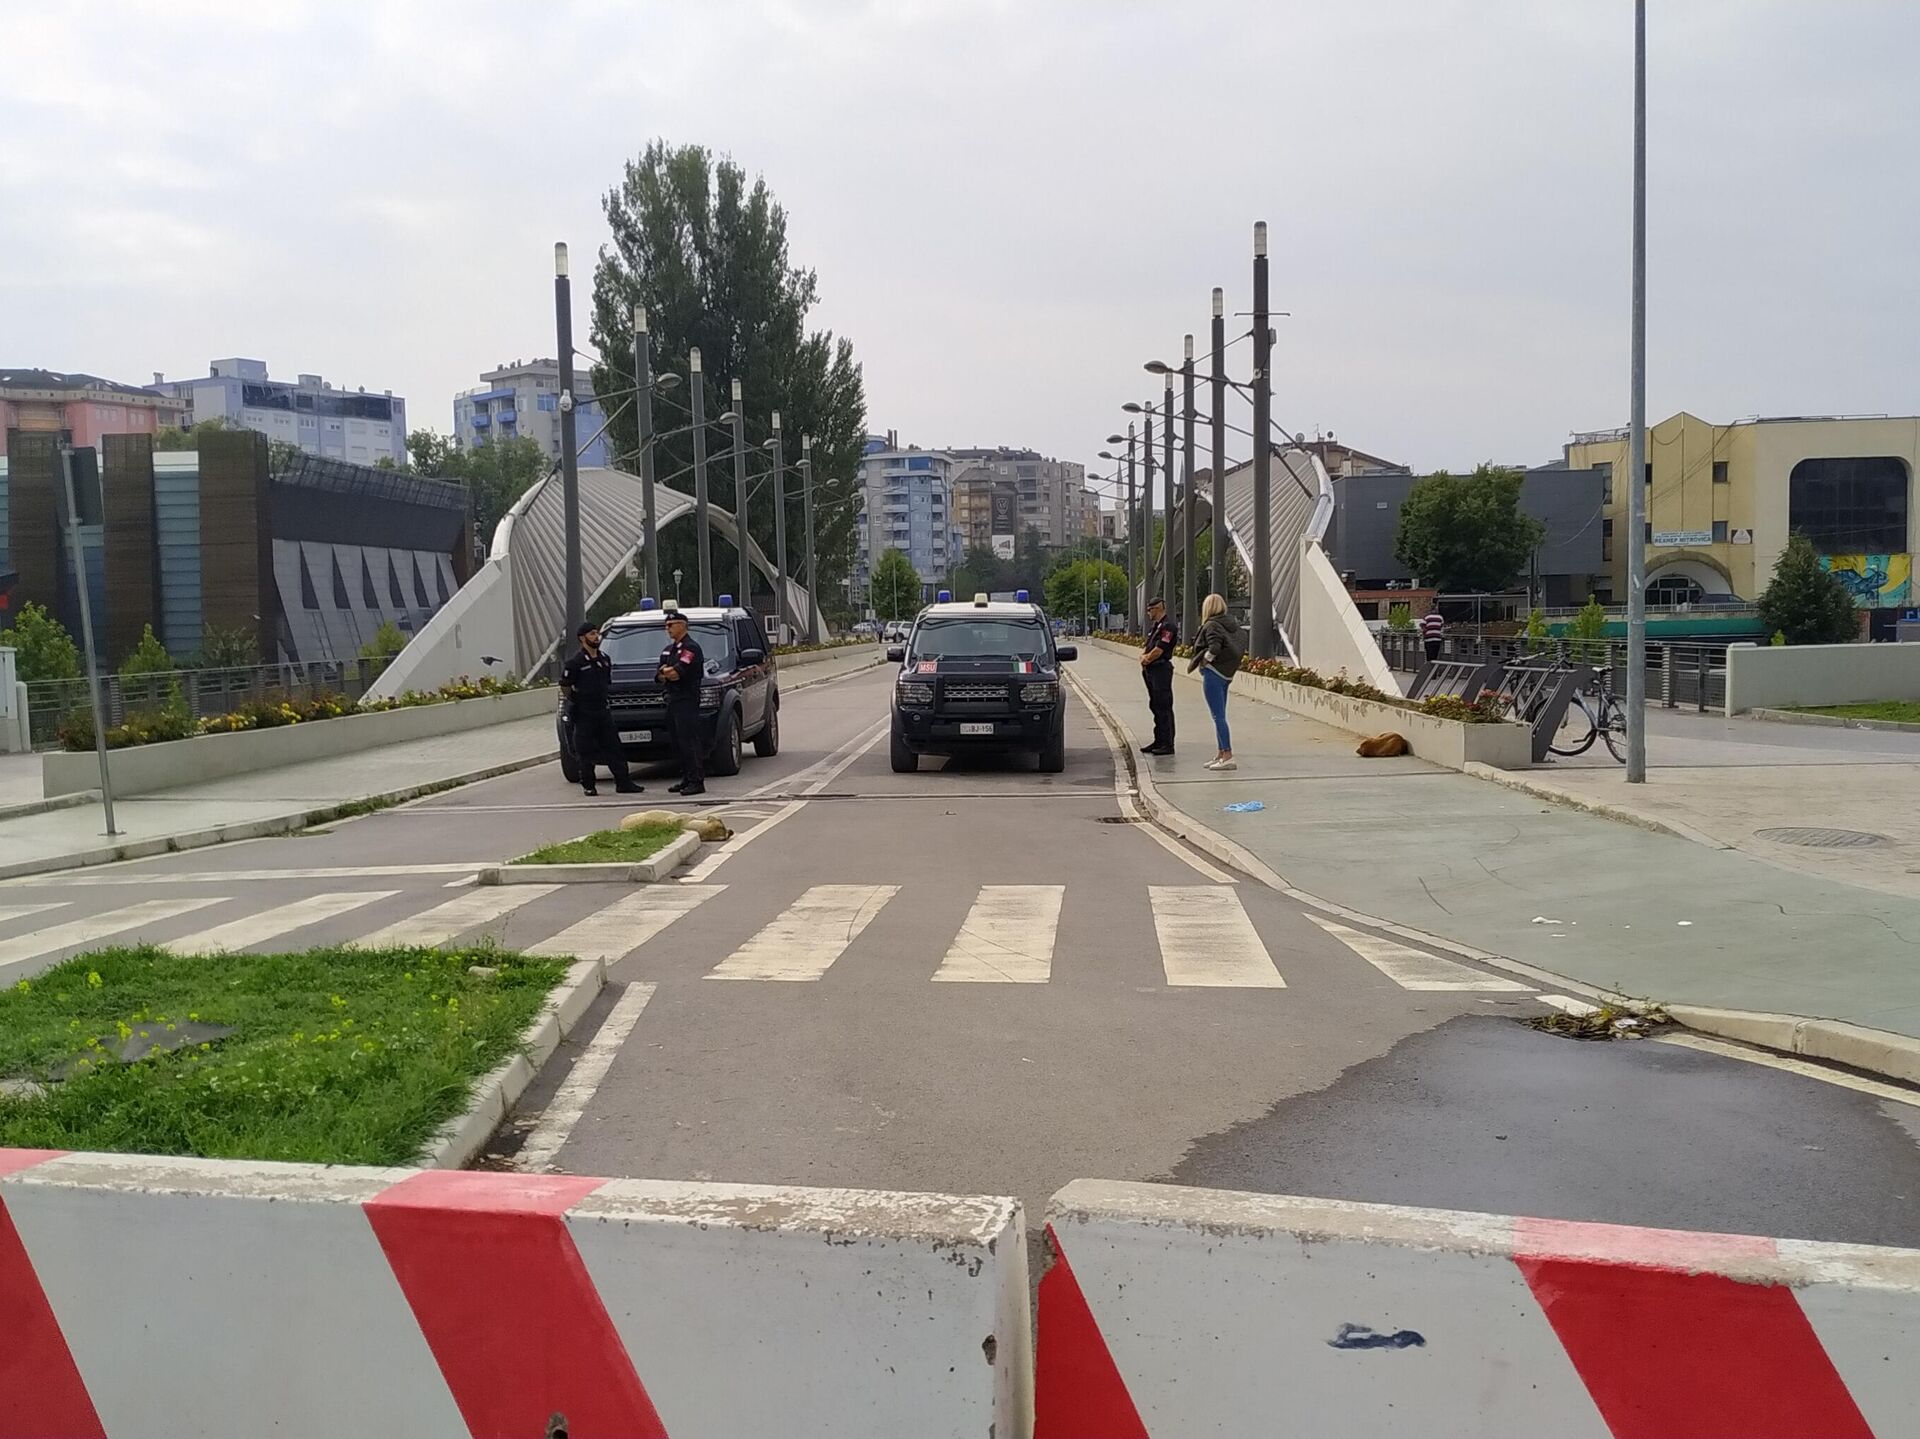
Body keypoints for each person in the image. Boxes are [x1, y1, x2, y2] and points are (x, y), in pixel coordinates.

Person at [561, 621, 642, 798]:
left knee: (614, 748)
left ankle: (623, 783)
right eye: (591, 634)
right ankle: (589, 785)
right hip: (584, 712)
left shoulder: (604, 659)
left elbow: (606, 682)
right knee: (585, 751)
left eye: (597, 633)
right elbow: (565, 685)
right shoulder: (575, 662)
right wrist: (575, 699)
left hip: (602, 710)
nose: (596, 637)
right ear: (582, 638)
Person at [1186, 593, 1242, 771]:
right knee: (1220, 714)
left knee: (1218, 716)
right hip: (1226, 673)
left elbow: (1214, 647)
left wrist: (1205, 661)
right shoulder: (1231, 625)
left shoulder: (1211, 625)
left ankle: (1227, 755)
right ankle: (1220, 753)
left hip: (1214, 673)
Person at [657, 611, 707, 796]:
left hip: (687, 700)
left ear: (683, 625)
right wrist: (666, 672)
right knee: (678, 742)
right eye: (666, 626)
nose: (667, 629)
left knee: (689, 741)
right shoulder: (669, 650)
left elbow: (676, 673)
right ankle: (686, 777)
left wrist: (667, 672)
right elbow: (659, 675)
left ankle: (696, 781)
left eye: (671, 625)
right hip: (672, 700)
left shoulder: (691, 648)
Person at [1139, 597, 1178, 756]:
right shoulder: (1156, 626)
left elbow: (1160, 648)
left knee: (1163, 706)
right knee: (1155, 705)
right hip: (1151, 670)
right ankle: (1158, 740)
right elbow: (1149, 645)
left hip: (1161, 669)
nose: (1148, 612)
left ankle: (1167, 743)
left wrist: (1146, 659)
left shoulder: (1168, 626)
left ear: (1158, 608)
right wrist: (1144, 657)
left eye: (1150, 609)